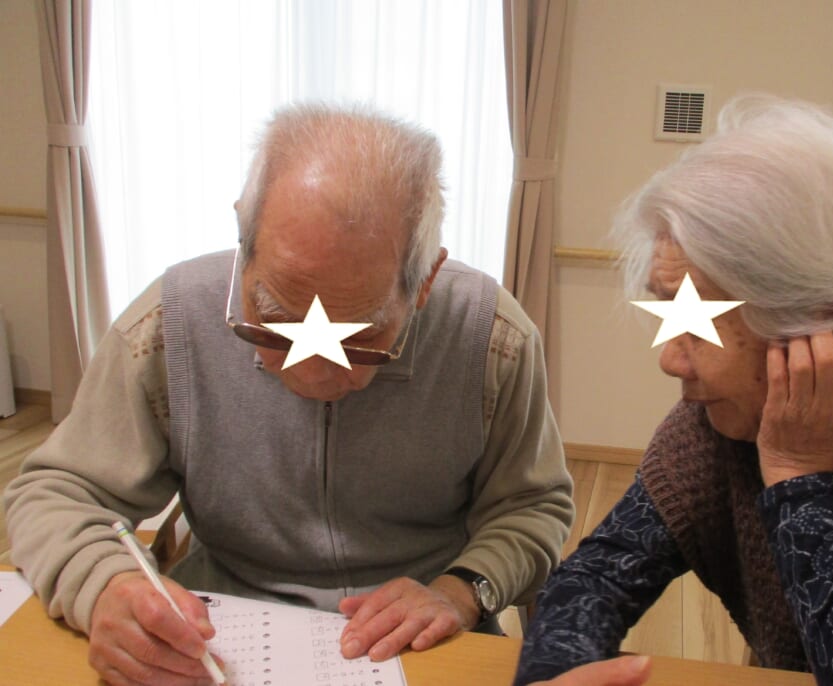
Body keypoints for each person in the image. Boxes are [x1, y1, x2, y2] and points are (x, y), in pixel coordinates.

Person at [3, 103, 573, 686]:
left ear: (425, 280)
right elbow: (54, 494)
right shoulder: (169, 324)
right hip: (220, 631)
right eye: (274, 321)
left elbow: (532, 507)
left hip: (425, 639)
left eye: (361, 337)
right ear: (243, 243)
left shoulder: (491, 340)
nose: (314, 372)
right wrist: (104, 583)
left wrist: (463, 589)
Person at [514, 96, 833, 685]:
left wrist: (799, 471)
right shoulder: (725, 419)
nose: (670, 359)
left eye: (699, 317)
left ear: (825, 318)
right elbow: (595, 578)